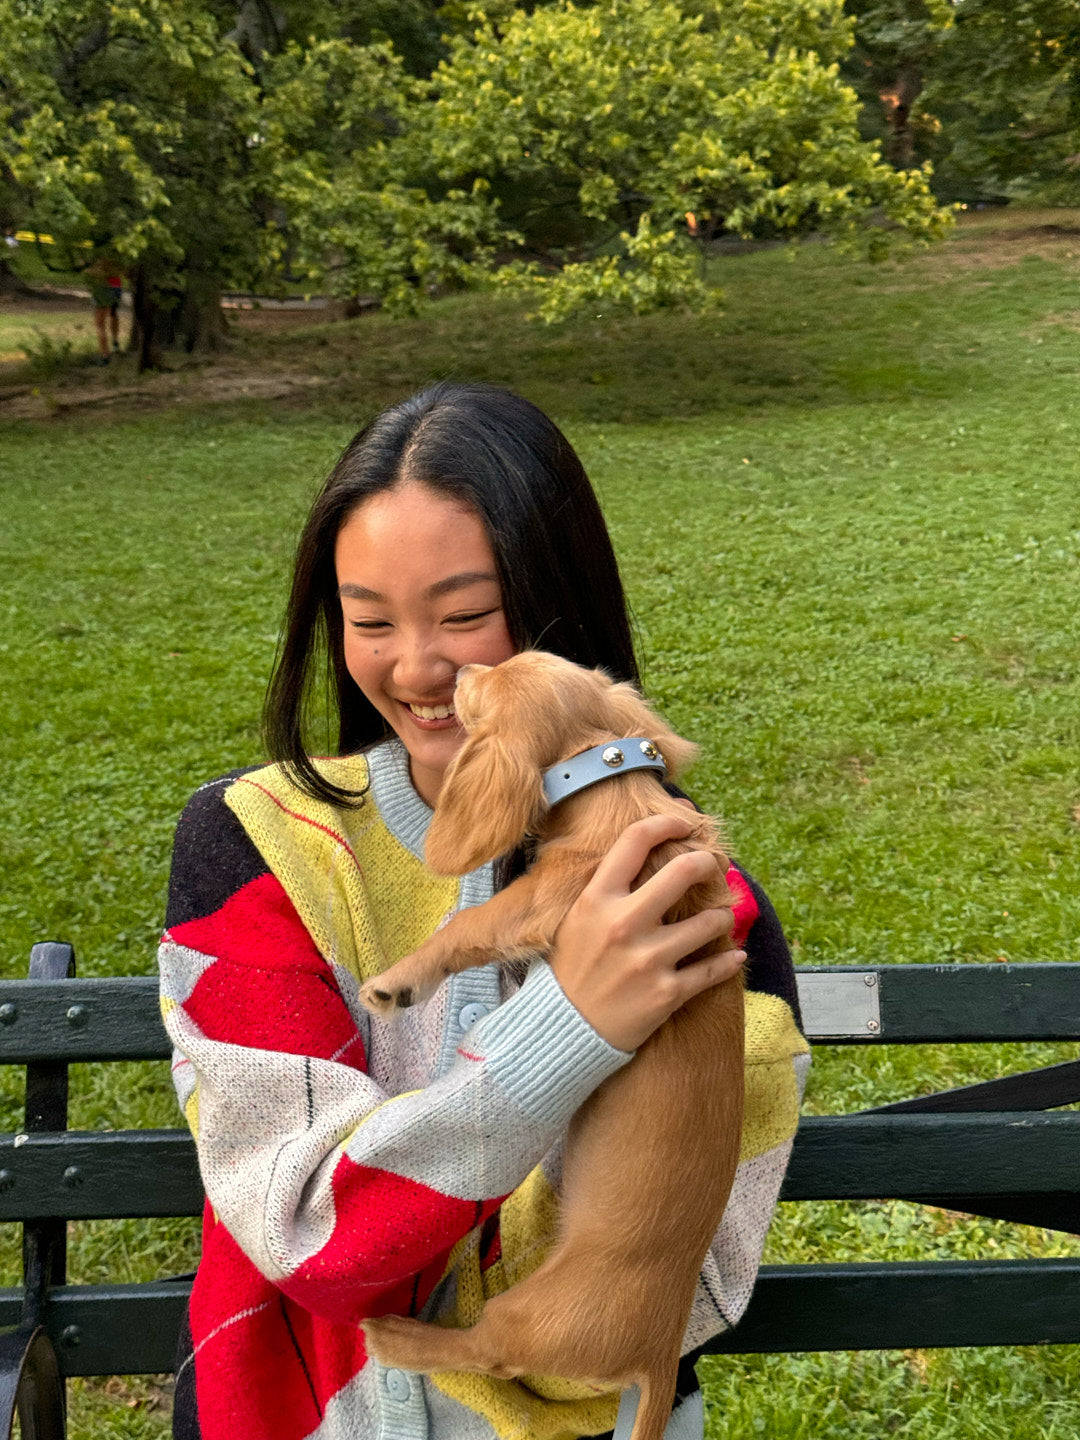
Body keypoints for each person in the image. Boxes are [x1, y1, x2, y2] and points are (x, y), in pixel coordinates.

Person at [159, 382, 810, 1440]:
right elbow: (307, 1234)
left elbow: (682, 1279)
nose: (418, 666)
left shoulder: (697, 906)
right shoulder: (252, 848)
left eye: (466, 616)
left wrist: (477, 1309)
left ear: (558, 611)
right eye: (369, 620)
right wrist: (568, 1033)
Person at [87, 254, 123, 364]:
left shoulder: (98, 252)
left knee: (100, 323)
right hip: (115, 283)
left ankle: (105, 355)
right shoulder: (116, 253)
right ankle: (115, 342)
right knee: (113, 314)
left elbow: (90, 271)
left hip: (102, 286)